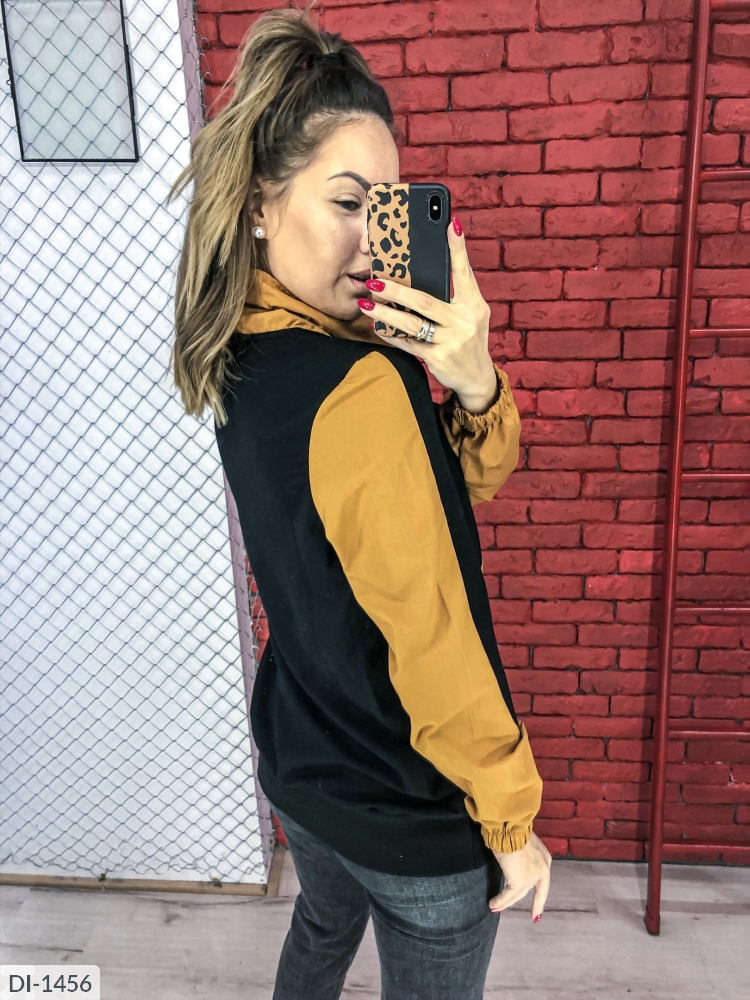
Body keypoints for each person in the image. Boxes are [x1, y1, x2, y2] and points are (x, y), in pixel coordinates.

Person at [168, 9, 551, 1000]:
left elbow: (443, 492)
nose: (371, 238)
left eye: (387, 206)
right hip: (406, 806)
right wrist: (510, 819)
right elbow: (432, 627)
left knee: (321, 928)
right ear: (261, 203)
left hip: (304, 760)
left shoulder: (236, 346)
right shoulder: (361, 383)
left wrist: (470, 381)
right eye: (347, 201)